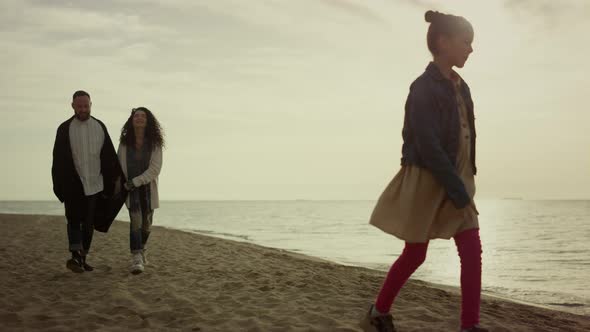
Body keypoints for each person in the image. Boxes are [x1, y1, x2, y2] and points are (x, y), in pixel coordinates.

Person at [360, 11, 488, 332]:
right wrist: (456, 189)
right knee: (416, 253)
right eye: (466, 42)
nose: (470, 49)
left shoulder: (463, 87)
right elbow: (429, 146)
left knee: (472, 249)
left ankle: (469, 326)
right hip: (429, 180)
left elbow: (464, 135)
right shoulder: (422, 88)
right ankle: (378, 311)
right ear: (443, 42)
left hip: (458, 178)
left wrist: (466, 178)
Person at [52, 90, 124, 273]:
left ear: (91, 105)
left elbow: (109, 156)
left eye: (86, 106)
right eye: (79, 106)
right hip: (73, 183)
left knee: (89, 223)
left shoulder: (99, 126)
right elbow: (58, 159)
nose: (83, 109)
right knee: (74, 219)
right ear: (73, 106)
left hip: (95, 183)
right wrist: (59, 185)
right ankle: (75, 256)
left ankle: (82, 258)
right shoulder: (64, 128)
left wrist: (114, 181)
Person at [118, 107, 164, 274]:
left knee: (146, 226)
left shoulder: (155, 144)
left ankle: (143, 248)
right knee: (135, 222)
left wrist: (136, 181)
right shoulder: (124, 143)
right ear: (132, 120)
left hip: (148, 189)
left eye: (143, 116)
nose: (139, 118)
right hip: (130, 190)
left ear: (148, 120)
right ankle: (136, 257)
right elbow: (119, 165)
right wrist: (124, 185)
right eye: (136, 115)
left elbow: (155, 169)